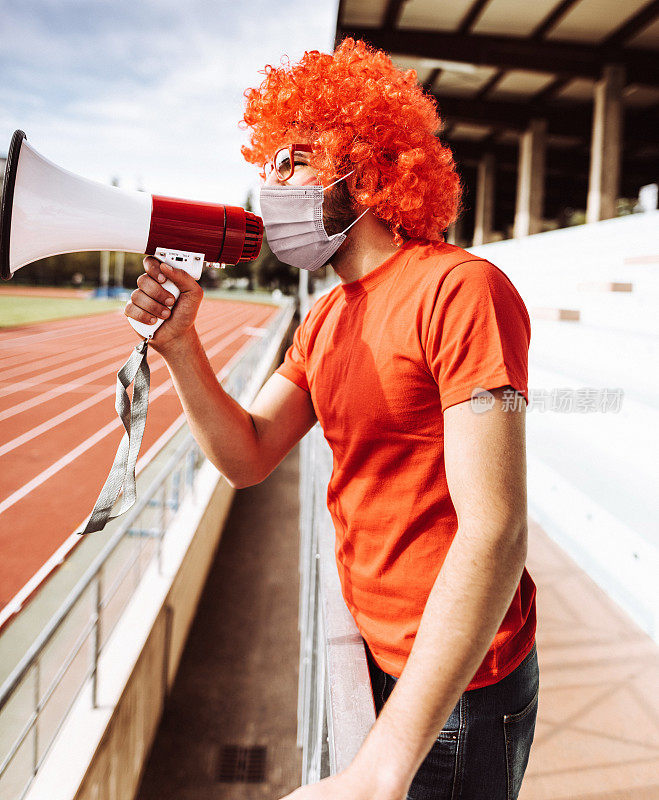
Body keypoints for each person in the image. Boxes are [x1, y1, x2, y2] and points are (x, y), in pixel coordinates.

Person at [125, 38, 539, 800]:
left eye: (294, 160)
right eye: (268, 163)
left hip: (460, 689)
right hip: (382, 657)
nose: (269, 184)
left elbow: (496, 530)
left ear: (370, 164)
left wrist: (383, 763)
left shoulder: (461, 290)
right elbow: (248, 456)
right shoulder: (321, 321)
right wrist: (180, 346)